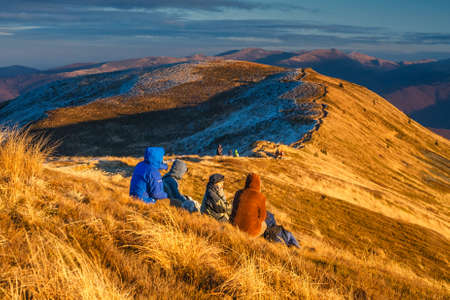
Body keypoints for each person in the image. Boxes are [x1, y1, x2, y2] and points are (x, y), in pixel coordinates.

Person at [230, 173, 267, 237]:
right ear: (258, 183)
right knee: (264, 225)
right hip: (251, 231)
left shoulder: (238, 193)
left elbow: (234, 209)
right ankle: (252, 240)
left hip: (234, 226)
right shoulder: (261, 197)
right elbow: (262, 217)